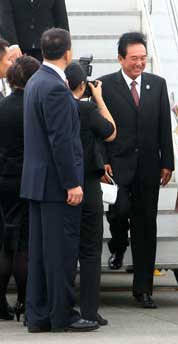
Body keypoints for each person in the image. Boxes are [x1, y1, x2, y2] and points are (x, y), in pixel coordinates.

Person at [21, 28, 98, 332]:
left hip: (38, 183)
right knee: (61, 253)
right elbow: (61, 140)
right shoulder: (54, 87)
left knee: (40, 255)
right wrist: (72, 182)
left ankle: (39, 314)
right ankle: (61, 314)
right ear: (68, 52)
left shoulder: (35, 82)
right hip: (56, 185)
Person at [99, 32, 174, 309]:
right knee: (118, 212)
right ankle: (118, 244)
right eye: (134, 59)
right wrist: (102, 160)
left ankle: (143, 289)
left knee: (145, 226)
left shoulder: (157, 84)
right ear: (121, 58)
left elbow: (164, 125)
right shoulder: (105, 85)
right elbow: (99, 128)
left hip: (148, 168)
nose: (139, 64)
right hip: (117, 166)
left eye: (143, 58)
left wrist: (168, 161)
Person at [65, 63, 117, 326]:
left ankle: (64, 306)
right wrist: (98, 98)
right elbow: (111, 131)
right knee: (89, 250)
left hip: (62, 186)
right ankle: (89, 310)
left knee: (64, 249)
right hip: (88, 184)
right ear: (83, 85)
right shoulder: (86, 109)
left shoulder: (57, 108)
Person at [0, 56, 40, 322]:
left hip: (3, 178)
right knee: (25, 244)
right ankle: (25, 301)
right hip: (28, 179)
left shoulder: (1, 106)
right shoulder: (34, 107)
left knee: (4, 243)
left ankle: (0, 303)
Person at [0, 0, 69, 62]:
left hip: (48, 47)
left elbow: (61, 17)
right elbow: (5, 16)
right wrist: (13, 44)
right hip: (18, 49)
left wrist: (66, 46)